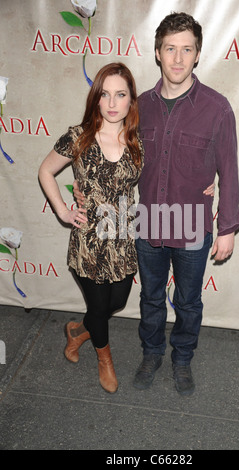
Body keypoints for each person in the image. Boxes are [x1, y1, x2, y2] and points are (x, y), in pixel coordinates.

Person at [74, 11, 239, 397]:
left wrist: (228, 227)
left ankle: (182, 358)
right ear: (157, 52)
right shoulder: (138, 107)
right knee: (150, 297)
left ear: (198, 55)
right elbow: (103, 147)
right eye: (170, 49)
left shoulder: (218, 109)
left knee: (188, 301)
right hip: (146, 223)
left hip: (192, 225)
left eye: (187, 50)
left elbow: (229, 171)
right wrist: (82, 189)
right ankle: (151, 354)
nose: (178, 59)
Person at [38, 62, 144, 394]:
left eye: (121, 95)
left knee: (117, 301)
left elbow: (171, 171)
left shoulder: (138, 139)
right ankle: (104, 360)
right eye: (105, 94)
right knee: (99, 308)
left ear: (130, 100)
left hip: (124, 238)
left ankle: (78, 330)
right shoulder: (79, 137)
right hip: (89, 240)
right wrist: (63, 211)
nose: (113, 103)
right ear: (96, 99)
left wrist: (203, 186)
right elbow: (45, 171)